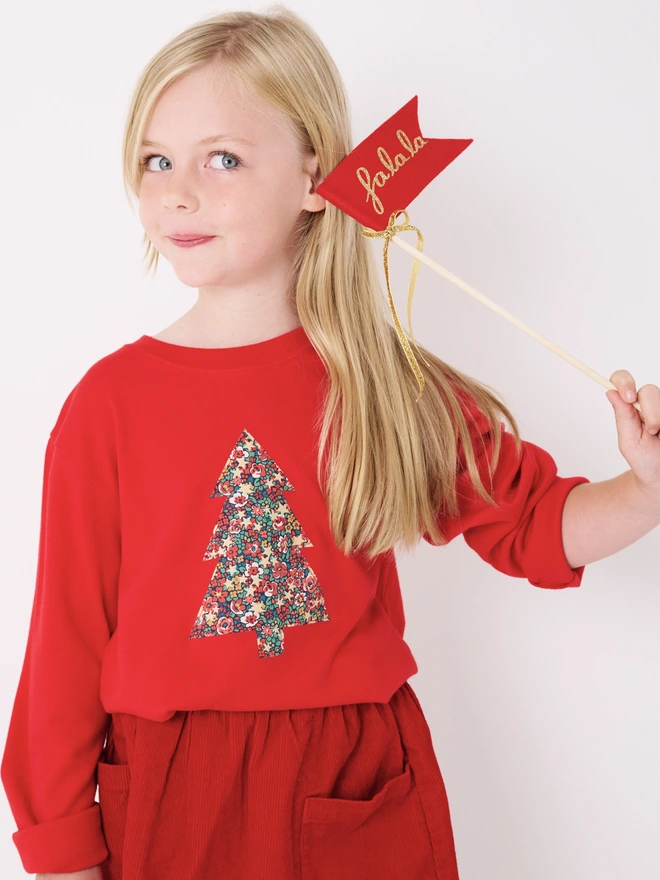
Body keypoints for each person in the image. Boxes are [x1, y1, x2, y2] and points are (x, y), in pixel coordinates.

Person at [3, 6, 660, 880]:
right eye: (157, 160)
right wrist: (60, 851)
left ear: (316, 175)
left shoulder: (380, 382)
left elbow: (536, 525)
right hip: (173, 788)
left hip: (355, 778)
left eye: (222, 158)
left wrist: (646, 486)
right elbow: (65, 646)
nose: (179, 191)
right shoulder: (107, 405)